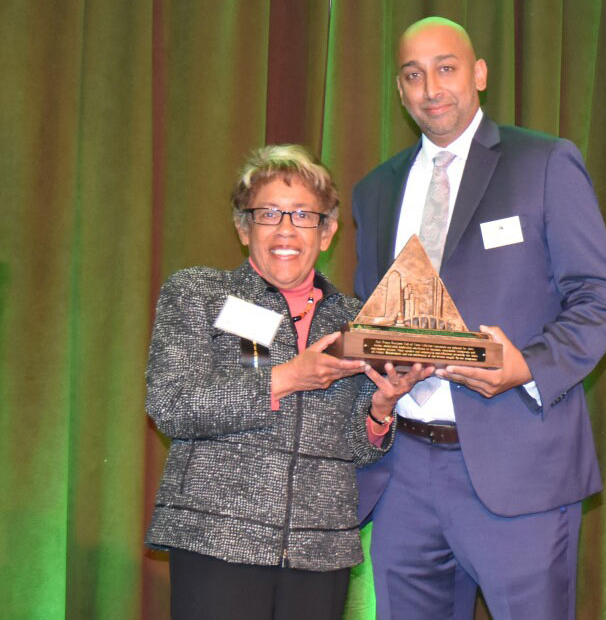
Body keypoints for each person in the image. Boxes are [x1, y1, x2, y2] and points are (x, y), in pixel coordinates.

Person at [352, 17, 606, 619]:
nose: (431, 88)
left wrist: (526, 366)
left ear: (478, 73)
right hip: (404, 476)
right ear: (399, 90)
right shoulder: (375, 191)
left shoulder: (544, 162)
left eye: (446, 68)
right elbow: (369, 313)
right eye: (413, 75)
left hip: (519, 469)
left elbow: (601, 298)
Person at [145, 144, 432, 620]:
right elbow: (172, 405)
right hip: (218, 539)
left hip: (320, 551)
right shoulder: (200, 293)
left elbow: (357, 451)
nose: (285, 229)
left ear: (327, 232)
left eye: (303, 215)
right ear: (243, 228)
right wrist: (287, 377)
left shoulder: (356, 321)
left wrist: (380, 411)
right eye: (268, 214)